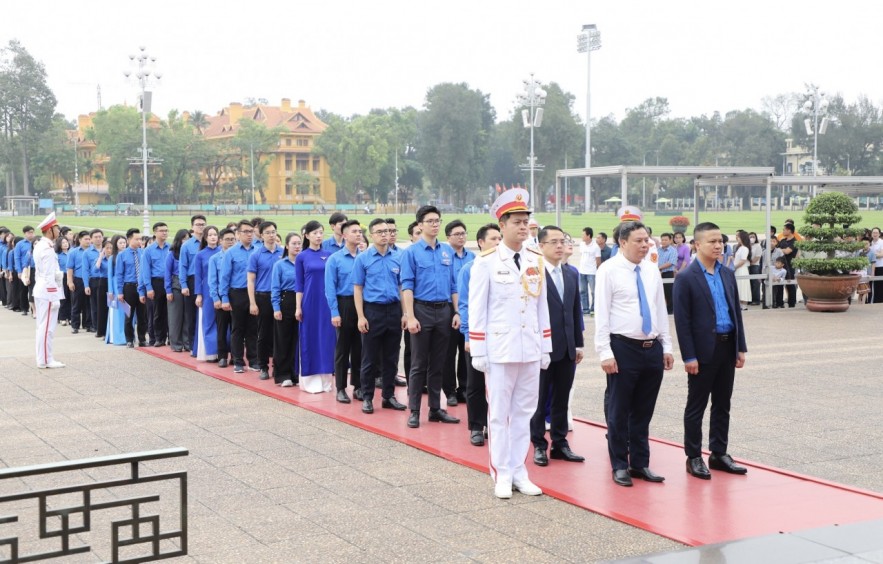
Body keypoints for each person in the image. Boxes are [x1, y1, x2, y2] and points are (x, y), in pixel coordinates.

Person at [469, 188, 551, 499]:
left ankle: (519, 469)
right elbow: (477, 307)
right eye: (517, 221)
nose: (523, 227)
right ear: (501, 225)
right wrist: (479, 349)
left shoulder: (535, 258)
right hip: (500, 350)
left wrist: (545, 346)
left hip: (529, 346)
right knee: (499, 413)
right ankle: (501, 472)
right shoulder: (487, 262)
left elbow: (540, 304)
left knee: (525, 412)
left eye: (526, 221)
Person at [595, 220, 674, 488]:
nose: (645, 245)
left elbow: (659, 309)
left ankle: (640, 463)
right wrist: (605, 352)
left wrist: (667, 345)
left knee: (644, 410)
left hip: (651, 348)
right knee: (619, 410)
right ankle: (619, 464)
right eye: (639, 241)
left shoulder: (651, 270)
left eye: (647, 240)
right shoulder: (609, 270)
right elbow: (602, 314)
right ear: (623, 242)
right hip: (623, 347)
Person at [673, 222, 749, 479]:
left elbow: (735, 312)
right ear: (697, 245)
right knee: (696, 405)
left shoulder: (727, 273)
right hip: (703, 351)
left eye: (720, 241)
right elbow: (682, 322)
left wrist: (740, 347)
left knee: (722, 403)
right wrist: (689, 356)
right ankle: (693, 456)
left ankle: (718, 453)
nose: (718, 246)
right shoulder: (686, 277)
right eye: (712, 241)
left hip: (727, 346)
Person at [401, 205, 460, 428]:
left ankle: (435, 408)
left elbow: (453, 284)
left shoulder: (446, 251)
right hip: (422, 310)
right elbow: (407, 286)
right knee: (418, 363)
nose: (435, 224)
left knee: (439, 362)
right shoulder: (411, 252)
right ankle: (414, 410)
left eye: (438, 220)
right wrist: (410, 316)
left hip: (444, 311)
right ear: (420, 225)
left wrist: (456, 311)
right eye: (430, 221)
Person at [531, 225, 585, 467]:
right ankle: (539, 445)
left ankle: (560, 443)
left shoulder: (571, 273)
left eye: (562, 241)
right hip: (542, 347)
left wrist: (579, 344)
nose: (560, 246)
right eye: (553, 242)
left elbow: (575, 311)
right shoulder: (533, 274)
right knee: (540, 399)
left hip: (566, 348)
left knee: (562, 398)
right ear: (541, 246)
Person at [353, 218, 407, 413]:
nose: (385, 235)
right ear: (372, 235)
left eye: (387, 231)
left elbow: (402, 287)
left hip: (393, 310)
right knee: (369, 357)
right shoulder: (363, 258)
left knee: (391, 357)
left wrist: (405, 313)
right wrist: (360, 316)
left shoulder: (398, 257)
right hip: (372, 310)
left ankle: (388, 396)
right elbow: (358, 289)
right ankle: (367, 396)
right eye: (380, 232)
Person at [458, 223, 502, 446]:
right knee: (475, 383)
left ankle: (495, 425)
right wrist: (468, 336)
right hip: (478, 335)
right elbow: (465, 305)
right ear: (481, 243)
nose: (497, 243)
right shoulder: (470, 268)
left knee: (500, 384)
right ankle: (476, 426)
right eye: (493, 239)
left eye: (499, 238)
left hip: (501, 336)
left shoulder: (506, 267)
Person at [325, 219, 363, 402]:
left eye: (360, 231)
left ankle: (359, 386)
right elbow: (330, 287)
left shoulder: (365, 257)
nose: (358, 234)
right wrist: (334, 311)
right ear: (345, 235)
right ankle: (340, 387)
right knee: (342, 348)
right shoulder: (335, 259)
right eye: (354, 231)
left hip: (362, 306)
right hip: (344, 304)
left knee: (360, 348)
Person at [296, 220, 335, 393]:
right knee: (310, 337)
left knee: (327, 339)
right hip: (310, 303)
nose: (319, 236)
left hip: (327, 303)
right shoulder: (302, 256)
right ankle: (310, 380)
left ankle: (327, 380)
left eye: (321, 232)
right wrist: (298, 307)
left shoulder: (330, 255)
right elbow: (299, 284)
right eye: (315, 233)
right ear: (307, 235)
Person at [221, 220, 258, 372]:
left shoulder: (258, 250)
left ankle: (254, 359)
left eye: (251, 231)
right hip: (237, 293)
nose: (249, 235)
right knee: (238, 328)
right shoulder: (231, 252)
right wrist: (224, 297)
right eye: (245, 232)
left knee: (253, 328)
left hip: (255, 293)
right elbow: (225, 277)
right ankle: (237, 360)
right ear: (238, 234)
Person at [443, 219, 474, 406]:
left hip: (468, 308)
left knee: (466, 350)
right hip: (449, 309)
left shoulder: (472, 257)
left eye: (463, 233)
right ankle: (449, 390)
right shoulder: (444, 256)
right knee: (448, 352)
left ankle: (464, 388)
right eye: (457, 234)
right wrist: (456, 311)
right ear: (448, 237)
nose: (461, 237)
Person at [247, 221, 283, 379]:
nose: (271, 235)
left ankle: (278, 366)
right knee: (263, 334)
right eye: (268, 232)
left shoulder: (283, 252)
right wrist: (252, 302)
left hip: (281, 297)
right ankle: (263, 366)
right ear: (261, 235)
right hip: (263, 296)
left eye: (274, 232)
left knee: (279, 334)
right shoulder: (256, 255)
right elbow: (251, 280)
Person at [33, 213, 65, 369]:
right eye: (57, 228)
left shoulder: (41, 245)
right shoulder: (47, 248)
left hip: (41, 290)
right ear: (50, 230)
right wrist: (54, 297)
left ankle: (43, 358)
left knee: (43, 327)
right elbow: (48, 275)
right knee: (47, 328)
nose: (59, 231)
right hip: (47, 292)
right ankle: (46, 359)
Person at [271, 232, 302, 387]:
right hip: (285, 301)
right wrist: (276, 308)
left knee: (297, 340)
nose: (297, 246)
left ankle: (294, 373)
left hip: (301, 302)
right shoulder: (280, 265)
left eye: (299, 243)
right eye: (294, 243)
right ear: (287, 245)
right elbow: (275, 288)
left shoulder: (303, 263)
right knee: (283, 340)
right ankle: (282, 374)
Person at [179, 215, 207, 355]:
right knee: (191, 315)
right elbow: (182, 266)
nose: (200, 227)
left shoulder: (210, 243)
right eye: (198, 224)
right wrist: (183, 285)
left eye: (203, 224)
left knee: (206, 314)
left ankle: (205, 344)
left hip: (206, 280)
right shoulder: (187, 245)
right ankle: (192, 344)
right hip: (191, 280)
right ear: (192, 227)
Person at [116, 228, 148, 348]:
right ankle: (129, 339)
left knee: (142, 315)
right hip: (128, 287)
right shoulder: (122, 255)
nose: (140, 241)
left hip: (141, 287)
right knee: (128, 315)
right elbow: (119, 274)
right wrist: (120, 292)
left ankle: (142, 339)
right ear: (129, 239)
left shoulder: (143, 253)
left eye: (140, 239)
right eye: (137, 239)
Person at [194, 226, 222, 362]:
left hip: (222, 290)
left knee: (223, 322)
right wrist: (199, 294)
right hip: (206, 290)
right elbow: (198, 276)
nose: (213, 237)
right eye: (210, 235)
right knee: (209, 320)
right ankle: (211, 352)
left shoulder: (223, 252)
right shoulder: (200, 255)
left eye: (215, 234)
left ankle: (224, 350)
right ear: (205, 238)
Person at [210, 228, 237, 366]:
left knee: (236, 328)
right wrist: (216, 298)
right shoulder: (215, 259)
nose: (231, 242)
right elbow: (212, 281)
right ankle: (222, 356)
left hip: (236, 296)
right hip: (221, 298)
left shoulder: (238, 256)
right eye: (227, 239)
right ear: (220, 241)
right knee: (222, 328)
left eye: (233, 239)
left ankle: (235, 355)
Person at [142, 222, 170, 347]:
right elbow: (145, 271)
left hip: (169, 281)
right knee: (158, 312)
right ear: (155, 232)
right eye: (161, 230)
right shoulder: (148, 250)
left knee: (170, 311)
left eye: (166, 230)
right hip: (156, 282)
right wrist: (149, 287)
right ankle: (159, 337)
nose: (164, 233)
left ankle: (171, 336)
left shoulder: (171, 248)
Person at [165, 229, 190, 352]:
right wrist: (168, 290)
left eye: (188, 238)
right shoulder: (172, 254)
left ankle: (187, 342)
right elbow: (167, 273)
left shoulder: (190, 252)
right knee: (176, 316)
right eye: (184, 238)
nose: (186, 241)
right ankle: (176, 343)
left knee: (187, 316)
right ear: (179, 240)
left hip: (188, 284)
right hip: (176, 285)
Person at [85, 236, 111, 340]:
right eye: (107, 248)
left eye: (111, 248)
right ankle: (102, 331)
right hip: (103, 283)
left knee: (112, 308)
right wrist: (101, 256)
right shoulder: (100, 259)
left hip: (112, 283)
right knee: (102, 308)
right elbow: (95, 270)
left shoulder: (116, 258)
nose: (109, 250)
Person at [67, 230, 92, 333]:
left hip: (91, 279)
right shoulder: (73, 252)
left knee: (89, 304)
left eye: (89, 239)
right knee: (77, 303)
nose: (88, 241)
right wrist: (70, 282)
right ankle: (75, 325)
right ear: (80, 240)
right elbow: (69, 268)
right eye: (86, 239)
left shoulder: (93, 251)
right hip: (78, 279)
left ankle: (88, 324)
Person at [106, 235, 128, 345]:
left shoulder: (128, 255)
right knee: (117, 313)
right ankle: (116, 337)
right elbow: (110, 275)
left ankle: (127, 335)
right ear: (116, 245)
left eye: (124, 242)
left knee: (126, 312)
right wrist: (111, 291)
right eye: (120, 243)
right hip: (115, 287)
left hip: (126, 285)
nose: (123, 245)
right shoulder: (112, 258)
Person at [82, 229, 105, 338]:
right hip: (94, 281)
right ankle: (97, 327)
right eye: (95, 237)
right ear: (91, 239)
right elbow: (85, 270)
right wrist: (86, 285)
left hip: (106, 280)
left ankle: (106, 327)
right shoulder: (87, 252)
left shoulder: (107, 249)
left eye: (100, 236)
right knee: (95, 306)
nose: (98, 238)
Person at [578, 227, 601, 315]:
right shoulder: (581, 244)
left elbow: (598, 261)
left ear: (588, 236)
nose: (582, 236)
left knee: (594, 292)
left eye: (583, 234)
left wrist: (598, 271)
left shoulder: (596, 247)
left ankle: (594, 309)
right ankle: (585, 309)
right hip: (582, 271)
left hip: (592, 272)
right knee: (582, 291)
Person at [778, 224, 799, 308]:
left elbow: (787, 251)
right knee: (780, 284)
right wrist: (782, 250)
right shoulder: (783, 241)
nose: (783, 231)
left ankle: (792, 302)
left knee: (790, 283)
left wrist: (780, 250)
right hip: (781, 266)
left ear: (789, 230)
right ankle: (780, 302)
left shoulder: (795, 241)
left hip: (790, 265)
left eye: (784, 229)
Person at [657, 233, 677, 314]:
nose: (663, 241)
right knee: (659, 291)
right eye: (662, 240)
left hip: (667, 273)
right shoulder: (658, 250)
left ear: (670, 240)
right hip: (657, 273)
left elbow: (671, 262)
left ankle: (670, 310)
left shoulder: (673, 250)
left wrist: (659, 268)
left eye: (666, 240)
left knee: (668, 292)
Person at [733, 231, 752, 310]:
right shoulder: (740, 247)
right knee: (739, 286)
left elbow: (742, 261)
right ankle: (740, 304)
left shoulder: (744, 248)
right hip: (738, 269)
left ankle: (743, 305)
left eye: (739, 237)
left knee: (742, 286)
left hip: (741, 269)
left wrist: (734, 267)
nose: (737, 238)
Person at [55, 236, 71, 326]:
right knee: (63, 297)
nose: (65, 244)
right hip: (62, 276)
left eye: (66, 242)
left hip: (71, 276)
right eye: (63, 242)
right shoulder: (57, 255)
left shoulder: (71, 253)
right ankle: (62, 317)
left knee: (71, 298)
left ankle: (70, 317)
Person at [870, 227, 883, 303]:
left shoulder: (881, 242)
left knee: (880, 284)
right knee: (872, 284)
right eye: (873, 233)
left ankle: (880, 301)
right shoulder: (871, 243)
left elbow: (882, 254)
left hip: (880, 266)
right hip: (872, 266)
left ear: (879, 234)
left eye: (876, 233)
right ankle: (873, 300)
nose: (875, 234)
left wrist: (872, 255)